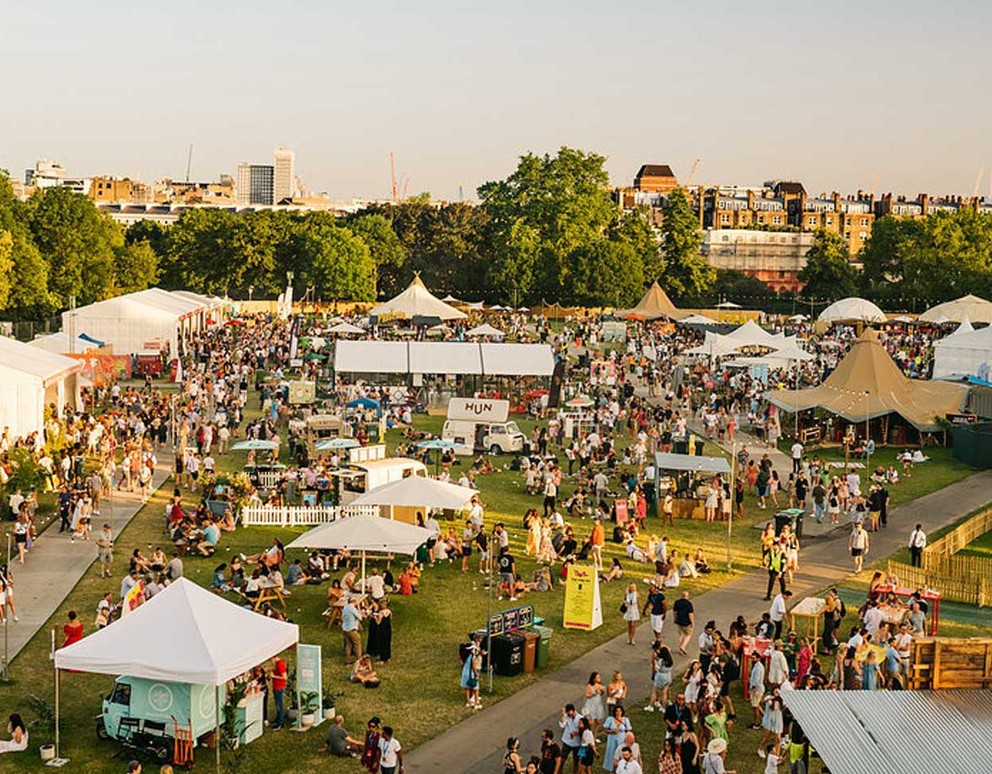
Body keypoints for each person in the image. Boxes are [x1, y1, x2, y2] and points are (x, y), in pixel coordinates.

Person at [601, 705, 631, 771]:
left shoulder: (625, 720)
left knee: (621, 753)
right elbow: (605, 730)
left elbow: (628, 731)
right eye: (617, 711)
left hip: (621, 739)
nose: (618, 712)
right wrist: (611, 731)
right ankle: (611, 767)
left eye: (619, 711)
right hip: (612, 739)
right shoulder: (610, 719)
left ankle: (621, 768)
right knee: (611, 752)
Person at [366, 599, 393, 664]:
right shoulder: (389, 611)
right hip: (388, 629)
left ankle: (382, 659)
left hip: (382, 630)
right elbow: (390, 617)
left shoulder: (381, 613)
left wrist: (374, 617)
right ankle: (387, 657)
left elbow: (378, 622)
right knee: (387, 643)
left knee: (382, 643)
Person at [342, 597, 362, 663]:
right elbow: (360, 617)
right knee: (357, 644)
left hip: (345, 628)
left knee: (348, 644)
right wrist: (358, 607)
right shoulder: (352, 609)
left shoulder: (345, 607)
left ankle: (348, 660)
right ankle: (359, 660)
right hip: (352, 629)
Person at [270, 655, 288, 729]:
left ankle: (280, 723)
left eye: (271, 660)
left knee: (279, 705)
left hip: (279, 687)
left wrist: (274, 676)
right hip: (276, 686)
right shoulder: (277, 664)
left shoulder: (280, 664)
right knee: (277, 704)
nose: (271, 662)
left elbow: (284, 677)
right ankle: (278, 719)